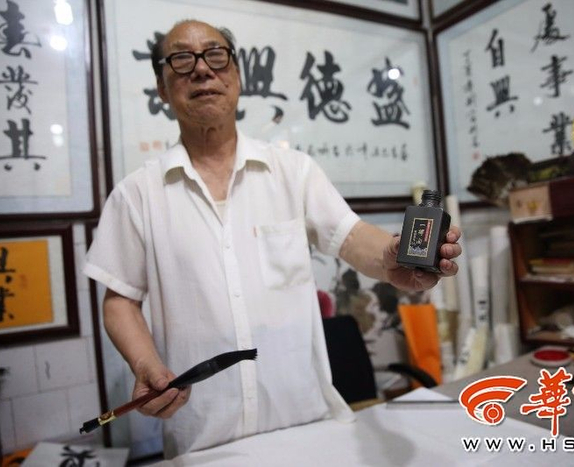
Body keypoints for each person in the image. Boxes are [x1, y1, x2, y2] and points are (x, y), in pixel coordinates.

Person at [84, 19, 462, 459]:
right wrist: (145, 364)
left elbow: (350, 235)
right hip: (204, 441)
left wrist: (391, 259)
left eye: (216, 55)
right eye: (182, 59)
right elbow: (120, 300)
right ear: (162, 88)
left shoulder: (292, 171)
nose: (202, 69)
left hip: (306, 428)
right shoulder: (137, 194)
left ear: (237, 75)